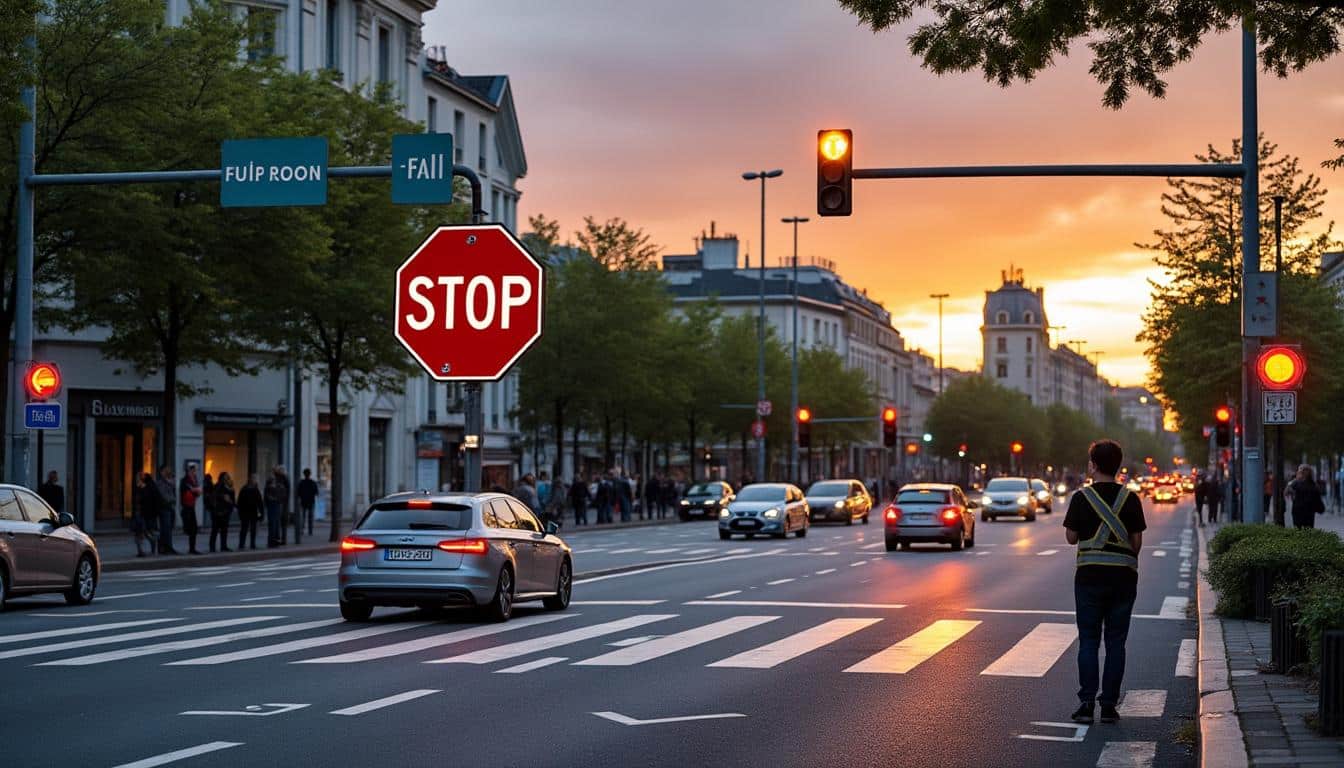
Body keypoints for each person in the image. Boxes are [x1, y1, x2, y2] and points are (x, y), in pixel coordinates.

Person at [1064, 439, 1147, 726]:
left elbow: (1071, 537)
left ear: (1093, 465)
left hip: (1088, 578)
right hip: (1123, 579)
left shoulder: (1080, 498)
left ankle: (1086, 703)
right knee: (1116, 642)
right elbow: (1136, 541)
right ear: (1119, 465)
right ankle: (1109, 705)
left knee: (1088, 640)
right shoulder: (1131, 498)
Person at [1287, 465, 1325, 530]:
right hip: (1307, 513)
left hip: (1299, 512)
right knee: (1307, 531)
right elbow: (1318, 498)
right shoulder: (1313, 485)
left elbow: (1286, 492)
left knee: (1299, 531)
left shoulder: (1296, 483)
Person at [179, 463, 203, 555]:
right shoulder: (185, 480)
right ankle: (191, 548)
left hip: (191, 505)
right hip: (186, 506)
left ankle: (192, 548)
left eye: (195, 471)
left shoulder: (193, 480)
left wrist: (196, 491)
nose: (194, 472)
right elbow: (191, 490)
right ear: (188, 471)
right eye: (193, 471)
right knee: (190, 528)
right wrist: (195, 490)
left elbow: (196, 491)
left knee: (194, 528)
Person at [209, 472, 236, 553]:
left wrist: (232, 503)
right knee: (215, 530)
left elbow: (232, 500)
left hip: (226, 511)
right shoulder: (218, 486)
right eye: (225, 477)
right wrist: (222, 496)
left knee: (224, 530)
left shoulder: (230, 487)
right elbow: (213, 496)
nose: (227, 479)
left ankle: (223, 546)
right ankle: (212, 547)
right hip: (218, 511)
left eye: (228, 477)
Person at [155, 465, 178, 554]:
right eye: (166, 470)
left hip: (170, 507)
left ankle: (167, 547)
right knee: (165, 528)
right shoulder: (160, 483)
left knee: (169, 528)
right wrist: (172, 499)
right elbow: (164, 495)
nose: (169, 472)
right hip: (164, 507)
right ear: (162, 472)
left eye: (169, 470)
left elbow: (173, 493)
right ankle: (165, 547)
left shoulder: (170, 482)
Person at [237, 474, 264, 550]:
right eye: (254, 479)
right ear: (250, 480)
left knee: (253, 529)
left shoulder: (255, 489)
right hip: (246, 511)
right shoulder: (245, 489)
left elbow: (260, 502)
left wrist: (261, 513)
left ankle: (252, 544)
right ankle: (242, 544)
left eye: (255, 479)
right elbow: (240, 501)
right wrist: (240, 511)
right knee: (244, 528)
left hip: (253, 512)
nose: (255, 481)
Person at [133, 473, 157, 557]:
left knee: (145, 532)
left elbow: (147, 501)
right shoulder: (139, 488)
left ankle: (152, 543)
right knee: (138, 533)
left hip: (145, 514)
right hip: (139, 513)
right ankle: (140, 550)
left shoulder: (148, 488)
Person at [264, 467, 285, 548]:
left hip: (277, 505)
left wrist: (277, 499)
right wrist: (270, 499)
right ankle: (271, 541)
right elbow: (266, 496)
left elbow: (283, 493)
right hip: (272, 506)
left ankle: (275, 540)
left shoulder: (279, 484)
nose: (272, 477)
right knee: (272, 524)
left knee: (276, 524)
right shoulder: (269, 486)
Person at [297, 468, 319, 537]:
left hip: (303, 501)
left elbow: (298, 493)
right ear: (310, 474)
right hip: (311, 501)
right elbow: (316, 492)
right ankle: (310, 530)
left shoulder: (301, 482)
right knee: (310, 517)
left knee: (303, 517)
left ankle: (302, 530)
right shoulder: (313, 482)